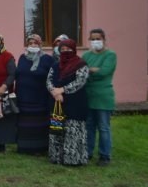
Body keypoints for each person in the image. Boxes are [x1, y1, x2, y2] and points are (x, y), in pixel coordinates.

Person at [46, 39, 89, 166]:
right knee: (57, 129)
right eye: (62, 49)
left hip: (75, 103)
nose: (65, 51)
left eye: (68, 49)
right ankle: (56, 158)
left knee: (73, 130)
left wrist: (62, 90)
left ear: (74, 49)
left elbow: (80, 81)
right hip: (57, 102)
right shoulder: (55, 65)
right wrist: (54, 92)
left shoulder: (81, 64)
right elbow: (48, 80)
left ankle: (73, 159)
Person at [83, 28, 117, 166]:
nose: (95, 41)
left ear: (104, 39)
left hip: (104, 97)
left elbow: (105, 72)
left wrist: (90, 70)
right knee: (89, 127)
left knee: (103, 128)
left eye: (98, 38)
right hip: (88, 96)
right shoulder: (86, 56)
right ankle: (88, 153)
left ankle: (104, 156)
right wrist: (93, 70)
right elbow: (82, 72)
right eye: (93, 39)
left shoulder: (111, 55)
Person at [15, 34, 54, 154]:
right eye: (30, 43)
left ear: (40, 44)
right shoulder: (22, 57)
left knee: (39, 124)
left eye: (35, 43)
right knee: (24, 124)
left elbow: (51, 78)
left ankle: (40, 148)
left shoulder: (47, 59)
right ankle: (24, 147)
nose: (32, 45)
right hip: (23, 97)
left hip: (40, 98)